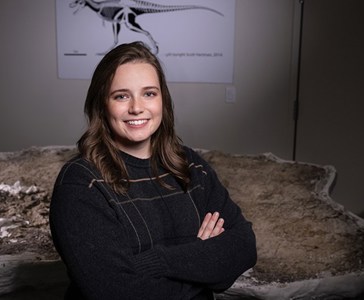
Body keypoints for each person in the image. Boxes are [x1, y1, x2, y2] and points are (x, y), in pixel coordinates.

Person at [49, 41, 257, 300]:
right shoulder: (81, 183)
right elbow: (115, 292)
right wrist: (202, 262)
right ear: (102, 104)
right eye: (121, 96)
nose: (137, 107)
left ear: (163, 100)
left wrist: (155, 262)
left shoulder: (190, 165)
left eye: (149, 93)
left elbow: (244, 246)